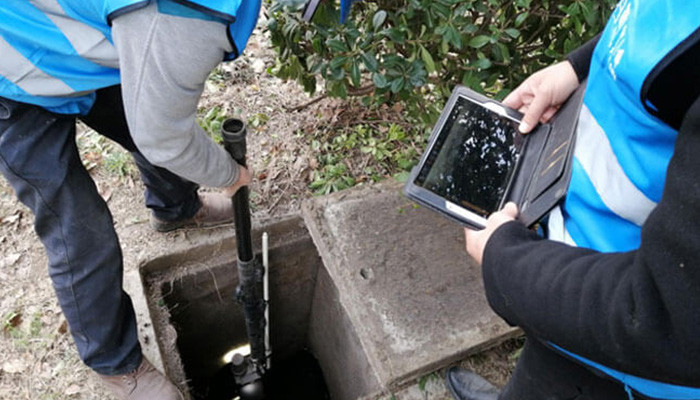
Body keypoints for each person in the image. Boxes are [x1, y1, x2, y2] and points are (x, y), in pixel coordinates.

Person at [0, 0, 358, 399]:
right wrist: (227, 175)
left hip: (82, 41)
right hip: (11, 72)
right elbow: (163, 138)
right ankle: (116, 365)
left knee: (149, 107)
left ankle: (178, 209)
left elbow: (158, 114)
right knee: (78, 227)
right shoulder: (185, 13)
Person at [445, 1, 700, 399]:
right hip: (571, 276)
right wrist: (580, 67)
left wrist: (504, 259)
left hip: (625, 355)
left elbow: (670, 319)